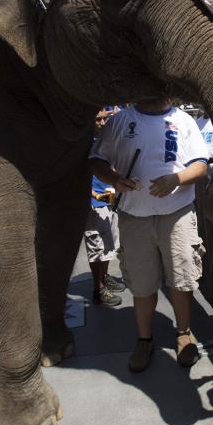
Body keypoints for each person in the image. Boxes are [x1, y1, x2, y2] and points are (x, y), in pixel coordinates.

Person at [90, 95, 208, 372]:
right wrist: (113, 178)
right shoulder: (120, 120)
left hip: (177, 214)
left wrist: (177, 179)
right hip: (134, 217)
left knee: (181, 278)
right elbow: (97, 159)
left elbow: (200, 164)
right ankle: (144, 339)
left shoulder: (184, 119)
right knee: (141, 284)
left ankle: (184, 333)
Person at [84, 108, 125, 306]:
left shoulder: (107, 141)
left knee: (109, 246)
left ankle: (105, 278)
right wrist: (95, 195)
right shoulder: (83, 145)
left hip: (110, 199)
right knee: (96, 248)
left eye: (104, 119)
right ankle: (98, 289)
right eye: (97, 119)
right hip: (95, 203)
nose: (101, 123)